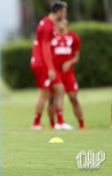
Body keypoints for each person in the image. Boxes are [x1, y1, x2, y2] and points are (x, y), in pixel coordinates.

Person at [31, 1, 73, 130]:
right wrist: (50, 68)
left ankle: (59, 122)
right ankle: (36, 123)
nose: (65, 14)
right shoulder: (48, 26)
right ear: (59, 11)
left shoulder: (47, 22)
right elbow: (45, 48)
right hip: (42, 63)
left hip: (40, 62)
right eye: (64, 11)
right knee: (44, 94)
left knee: (59, 90)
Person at [48, 18, 85, 129]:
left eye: (62, 20)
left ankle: (82, 124)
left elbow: (76, 56)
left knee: (73, 97)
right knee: (55, 96)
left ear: (66, 21)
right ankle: (56, 123)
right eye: (58, 21)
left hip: (68, 72)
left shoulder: (74, 37)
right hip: (55, 71)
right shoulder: (51, 37)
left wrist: (69, 62)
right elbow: (46, 53)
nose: (60, 23)